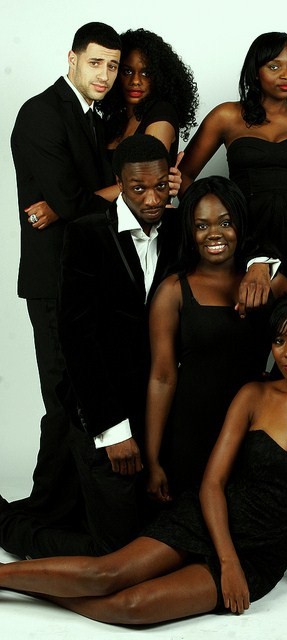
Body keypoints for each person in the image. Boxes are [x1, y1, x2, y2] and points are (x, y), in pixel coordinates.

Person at [0, 297, 287, 623]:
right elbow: (213, 483)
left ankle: (34, 590)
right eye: (280, 341)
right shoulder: (254, 395)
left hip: (261, 552)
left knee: (131, 607)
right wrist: (226, 560)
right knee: (105, 575)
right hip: (207, 518)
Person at [8, 22, 121, 529]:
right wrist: (121, 189)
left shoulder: (93, 117)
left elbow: (72, 203)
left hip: (86, 276)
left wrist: (70, 204)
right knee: (62, 396)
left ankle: (70, 505)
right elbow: (74, 202)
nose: (105, 75)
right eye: (95, 62)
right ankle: (43, 511)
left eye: (112, 66)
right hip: (52, 280)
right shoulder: (41, 112)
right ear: (71, 59)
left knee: (82, 393)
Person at [145, 176, 287, 502]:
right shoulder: (173, 291)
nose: (214, 234)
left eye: (226, 223)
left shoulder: (271, 284)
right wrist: (153, 459)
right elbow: (162, 377)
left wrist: (263, 267)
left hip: (256, 431)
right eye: (201, 225)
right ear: (190, 232)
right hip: (191, 433)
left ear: (241, 225)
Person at [179, 32, 287, 289]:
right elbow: (183, 175)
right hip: (249, 238)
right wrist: (213, 221)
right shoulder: (227, 115)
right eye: (274, 66)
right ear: (255, 72)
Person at [101, 28, 198, 165]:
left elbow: (145, 174)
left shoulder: (161, 113)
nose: (135, 81)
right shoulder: (115, 120)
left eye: (146, 73)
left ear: (160, 77)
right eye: (127, 71)